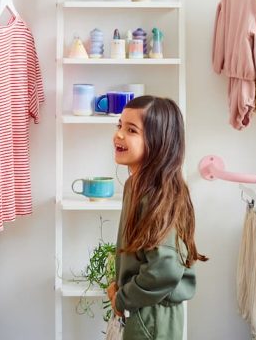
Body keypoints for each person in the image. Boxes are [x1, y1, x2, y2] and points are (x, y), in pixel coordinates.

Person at [107, 95, 208, 339]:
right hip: (142, 310)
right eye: (119, 125)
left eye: (131, 130)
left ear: (158, 142)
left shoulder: (156, 195)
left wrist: (122, 298)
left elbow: (165, 267)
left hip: (153, 318)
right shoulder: (138, 185)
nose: (119, 134)